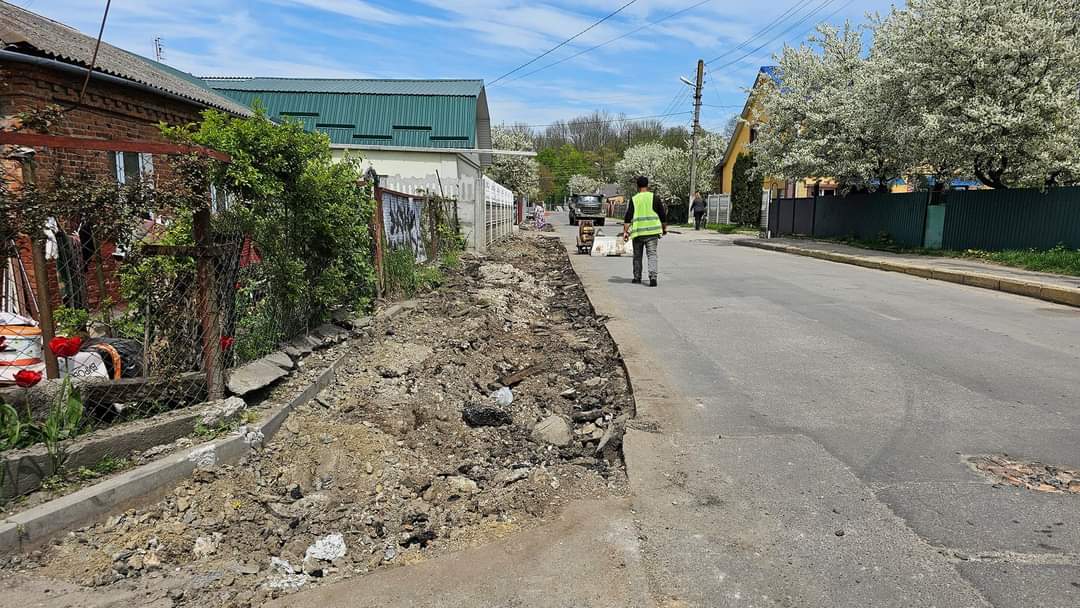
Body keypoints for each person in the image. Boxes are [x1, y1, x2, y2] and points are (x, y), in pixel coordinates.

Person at [622, 176, 668, 287]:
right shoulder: (655, 198)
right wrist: (664, 228)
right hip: (652, 233)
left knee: (637, 256)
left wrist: (625, 232)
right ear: (648, 185)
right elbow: (662, 215)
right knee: (652, 255)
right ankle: (653, 277)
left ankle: (637, 277)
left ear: (637, 186)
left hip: (638, 233)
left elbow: (628, 217)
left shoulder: (634, 199)